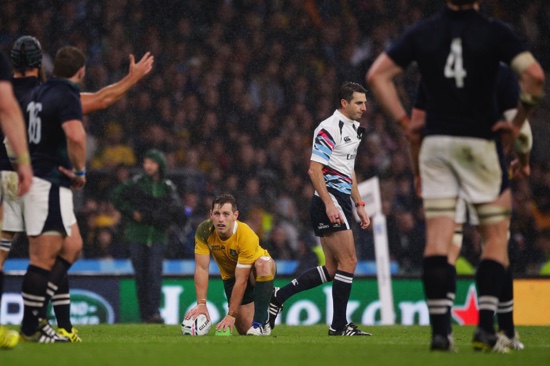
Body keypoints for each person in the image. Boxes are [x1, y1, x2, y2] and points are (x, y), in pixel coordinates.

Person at [366, 0, 545, 352]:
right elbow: (535, 77)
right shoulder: (496, 37)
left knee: (441, 242)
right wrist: (518, 122)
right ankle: (488, 328)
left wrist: (404, 125)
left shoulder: (423, 33)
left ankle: (440, 334)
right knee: (495, 239)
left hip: (436, 148)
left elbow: (377, 76)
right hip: (480, 145)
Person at [0, 35, 153, 342]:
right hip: (36, 177)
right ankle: (35, 322)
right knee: (58, 251)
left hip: (5, 176)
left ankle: (42, 321)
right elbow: (101, 100)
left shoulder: (7, 93)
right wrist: (131, 79)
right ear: (39, 63)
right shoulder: (44, 93)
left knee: (25, 251)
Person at [411, 64, 531, 351]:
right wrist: (523, 160)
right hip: (484, 166)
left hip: (443, 168)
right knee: (494, 244)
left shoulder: (435, 70)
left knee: (446, 247)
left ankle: (442, 333)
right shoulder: (497, 70)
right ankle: (498, 330)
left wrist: (418, 172)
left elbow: (414, 129)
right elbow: (521, 130)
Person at [268, 82, 371, 336]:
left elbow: (349, 170)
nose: (364, 108)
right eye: (359, 102)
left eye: (365, 102)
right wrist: (329, 204)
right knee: (350, 261)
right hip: (330, 200)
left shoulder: (355, 129)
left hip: (342, 200)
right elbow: (314, 170)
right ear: (344, 103)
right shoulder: (328, 128)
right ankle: (338, 326)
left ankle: (278, 297)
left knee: (334, 268)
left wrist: (360, 204)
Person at [16, 46, 89, 343]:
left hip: (43, 179)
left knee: (71, 246)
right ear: (81, 72)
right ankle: (31, 325)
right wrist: (81, 171)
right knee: (43, 258)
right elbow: (75, 134)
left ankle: (35, 318)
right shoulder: (67, 94)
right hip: (48, 180)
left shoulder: (39, 92)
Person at [184, 194, 276, 336]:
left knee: (263, 264)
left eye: (226, 214)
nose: (221, 219)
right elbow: (201, 268)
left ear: (235, 215)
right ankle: (265, 310)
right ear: (211, 214)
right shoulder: (204, 231)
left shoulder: (246, 235)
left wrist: (231, 315)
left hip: (254, 272)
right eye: (217, 214)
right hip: (231, 277)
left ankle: (260, 322)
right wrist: (201, 304)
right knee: (245, 332)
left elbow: (242, 280)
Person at [111, 149, 183, 324]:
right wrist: (131, 213)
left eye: (152, 162)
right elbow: (115, 196)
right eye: (146, 162)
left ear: (160, 165)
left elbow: (177, 209)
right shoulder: (136, 183)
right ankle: (146, 314)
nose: (148, 166)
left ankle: (154, 313)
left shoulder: (167, 187)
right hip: (137, 235)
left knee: (154, 274)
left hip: (158, 237)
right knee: (141, 275)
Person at [0, 49, 33, 350]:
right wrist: (22, 162)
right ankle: (37, 322)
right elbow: (7, 110)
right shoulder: (40, 93)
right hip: (8, 174)